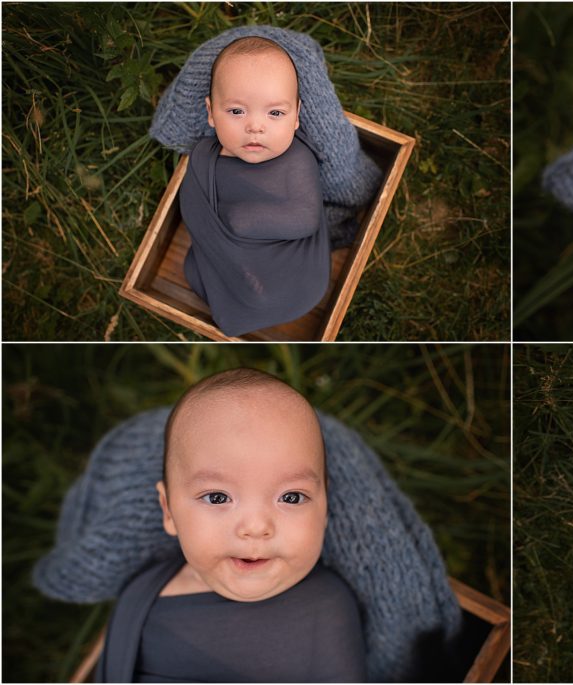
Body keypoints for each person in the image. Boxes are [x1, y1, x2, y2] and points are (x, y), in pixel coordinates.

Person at [96, 368, 366, 682]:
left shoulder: (326, 608)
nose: (255, 526)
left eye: (291, 497)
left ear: (325, 508)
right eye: (217, 497)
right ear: (168, 510)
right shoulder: (142, 591)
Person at [180, 36, 331, 336]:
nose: (255, 127)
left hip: (291, 274)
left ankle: (249, 294)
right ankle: (238, 291)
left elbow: (305, 217)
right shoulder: (203, 158)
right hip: (226, 265)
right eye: (237, 111)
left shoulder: (297, 159)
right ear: (211, 112)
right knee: (191, 270)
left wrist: (245, 219)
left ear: (297, 116)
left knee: (262, 293)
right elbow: (194, 210)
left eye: (275, 113)